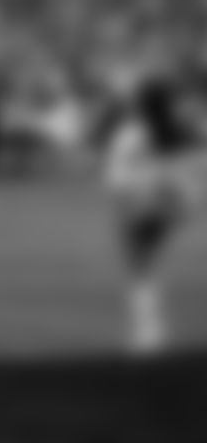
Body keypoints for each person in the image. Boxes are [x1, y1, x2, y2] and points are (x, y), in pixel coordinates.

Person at [94, 55, 205, 356]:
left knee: (139, 268)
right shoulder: (180, 131)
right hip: (174, 203)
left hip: (144, 203)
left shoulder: (132, 133)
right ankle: (149, 332)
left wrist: (124, 201)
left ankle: (148, 334)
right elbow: (191, 170)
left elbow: (116, 178)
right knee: (144, 263)